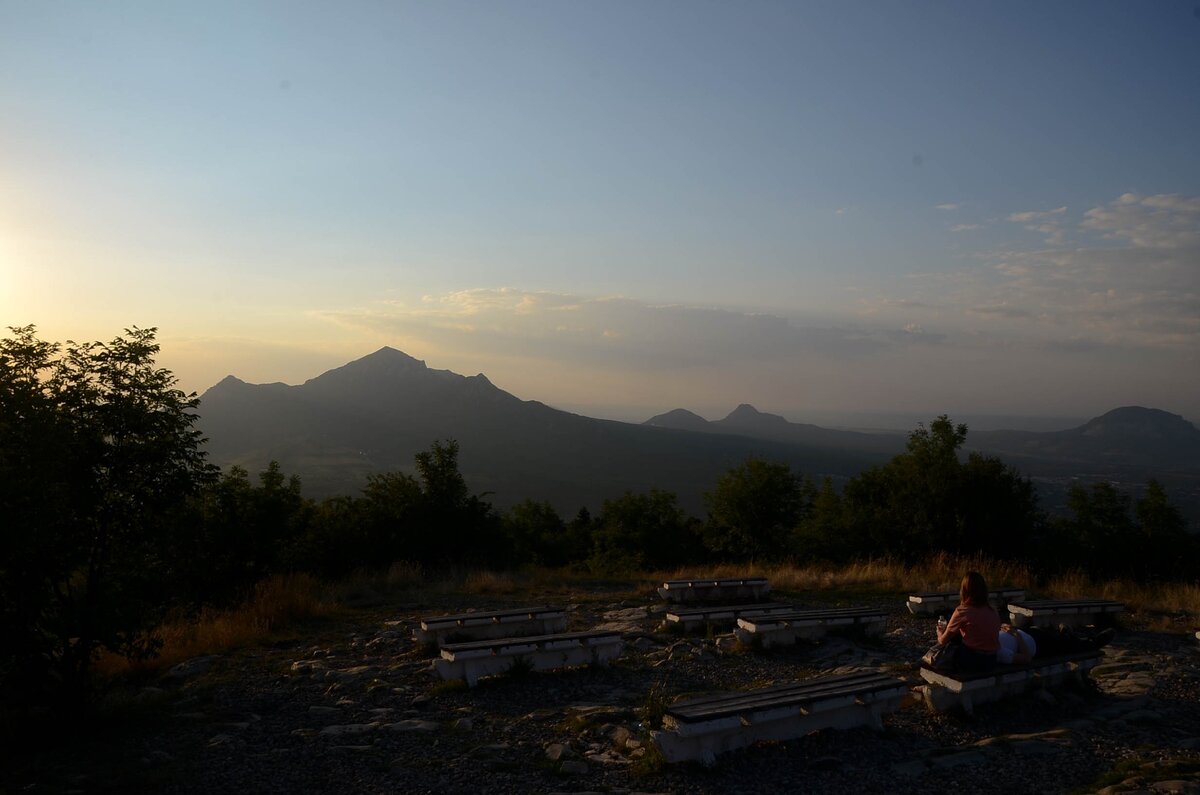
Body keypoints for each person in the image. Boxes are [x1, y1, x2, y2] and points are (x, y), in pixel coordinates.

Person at [934, 571, 1001, 672]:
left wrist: (939, 634)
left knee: (951, 640)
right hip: (991, 660)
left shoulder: (962, 611)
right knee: (960, 635)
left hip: (971, 661)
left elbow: (943, 641)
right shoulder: (993, 610)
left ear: (964, 590)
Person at [996, 623, 1114, 664]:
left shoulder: (982, 640)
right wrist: (1016, 635)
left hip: (1028, 633)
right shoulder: (997, 652)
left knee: (1053, 635)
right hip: (1037, 645)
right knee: (1068, 646)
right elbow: (1026, 658)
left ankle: (1064, 634)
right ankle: (1094, 643)